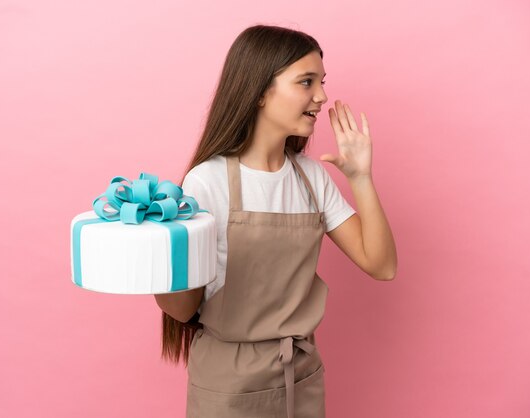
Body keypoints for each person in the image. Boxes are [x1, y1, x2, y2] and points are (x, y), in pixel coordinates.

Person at [154, 24, 397, 418]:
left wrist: (361, 178)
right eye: (306, 82)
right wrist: (158, 258)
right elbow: (182, 310)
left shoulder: (311, 178)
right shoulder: (208, 181)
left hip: (299, 375)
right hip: (228, 385)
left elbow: (382, 265)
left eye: (321, 82)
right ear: (261, 91)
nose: (321, 96)